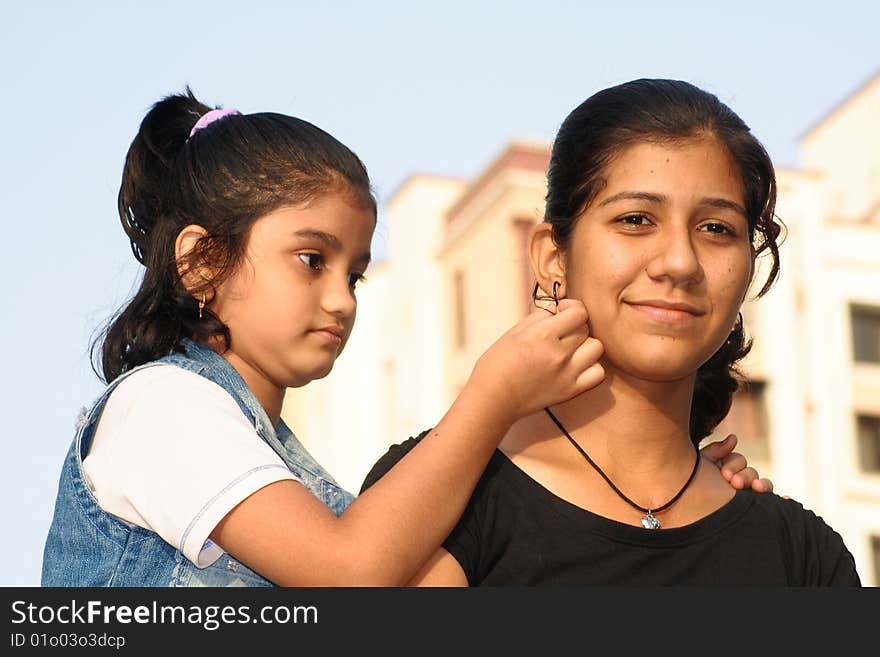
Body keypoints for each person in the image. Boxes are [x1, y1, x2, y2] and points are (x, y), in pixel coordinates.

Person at [41, 87, 767, 588]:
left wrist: (681, 498)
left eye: (354, 274)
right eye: (311, 260)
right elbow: (353, 573)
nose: (340, 299)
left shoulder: (272, 456)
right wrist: (493, 396)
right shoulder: (161, 404)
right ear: (201, 260)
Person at [361, 78, 861, 586]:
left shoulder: (802, 556)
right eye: (637, 219)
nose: (679, 262)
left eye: (716, 229)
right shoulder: (433, 508)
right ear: (553, 259)